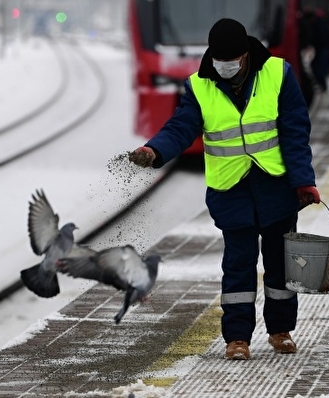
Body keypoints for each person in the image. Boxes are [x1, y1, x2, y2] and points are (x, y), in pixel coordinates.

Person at [127, 18, 319, 360]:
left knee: (281, 266)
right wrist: (154, 151)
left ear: (245, 55)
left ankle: (280, 331)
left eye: (231, 59)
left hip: (275, 185)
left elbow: (294, 132)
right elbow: (181, 127)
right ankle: (237, 339)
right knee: (238, 266)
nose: (224, 65)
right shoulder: (199, 85)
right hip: (231, 189)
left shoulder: (278, 74)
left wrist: (303, 181)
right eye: (219, 58)